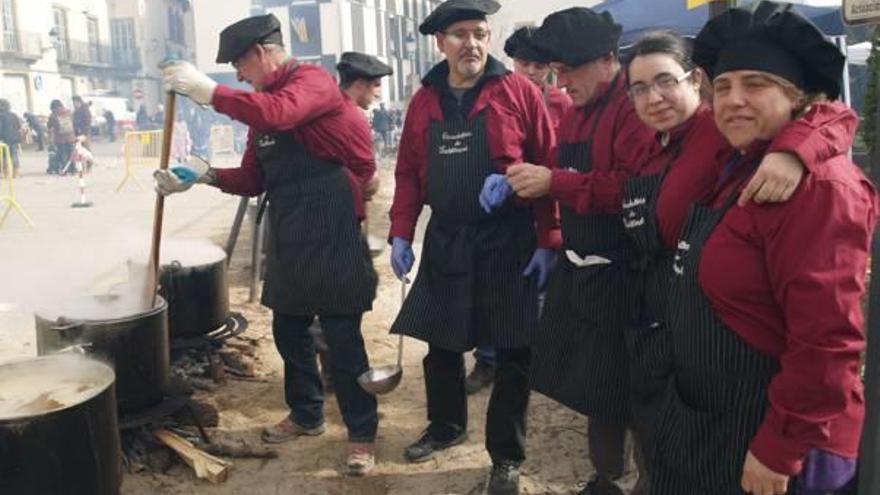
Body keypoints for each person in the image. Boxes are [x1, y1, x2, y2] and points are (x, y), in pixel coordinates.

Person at [650, 3, 876, 494]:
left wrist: (779, 450)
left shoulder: (819, 189)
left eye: (755, 84)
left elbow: (827, 343)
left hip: (786, 438)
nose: (733, 100)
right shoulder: (741, 163)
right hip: (719, 415)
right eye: (724, 85)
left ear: (797, 99)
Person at [157, 13, 380, 476]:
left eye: (239, 65)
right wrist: (204, 176)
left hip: (333, 220)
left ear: (261, 52)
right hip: (290, 226)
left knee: (341, 338)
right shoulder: (260, 110)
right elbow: (255, 176)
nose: (238, 75)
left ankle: (361, 433)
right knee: (289, 329)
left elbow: (281, 113)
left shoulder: (311, 83)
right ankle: (306, 414)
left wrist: (207, 91)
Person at [388, 1, 559, 493]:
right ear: (439, 42)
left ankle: (506, 455)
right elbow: (406, 172)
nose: (472, 43)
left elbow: (547, 164)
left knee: (513, 350)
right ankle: (445, 425)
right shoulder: (424, 101)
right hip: (448, 237)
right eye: (460, 34)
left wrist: (548, 239)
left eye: (480, 32)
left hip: (509, 239)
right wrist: (402, 230)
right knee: (441, 342)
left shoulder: (518, 92)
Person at [463, 24, 577, 396]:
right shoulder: (496, 95)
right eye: (522, 63)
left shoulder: (563, 103)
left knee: (540, 290)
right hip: (500, 208)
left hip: (547, 204)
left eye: (537, 64)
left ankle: (537, 360)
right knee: (494, 288)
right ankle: (487, 359)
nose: (529, 71)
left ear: (550, 68)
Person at [46, 99, 76, 175]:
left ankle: (64, 170)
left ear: (53, 107)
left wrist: (50, 139)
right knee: (71, 154)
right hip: (71, 137)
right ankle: (73, 169)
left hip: (60, 139)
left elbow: (49, 127)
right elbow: (74, 123)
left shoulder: (53, 115)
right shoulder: (69, 112)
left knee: (62, 154)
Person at [0, 99, 22, 177]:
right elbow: (19, 126)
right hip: (15, 139)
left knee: (4, 156)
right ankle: (15, 172)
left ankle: (5, 173)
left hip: (4, 139)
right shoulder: (14, 115)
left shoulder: (1, 116)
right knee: (14, 155)